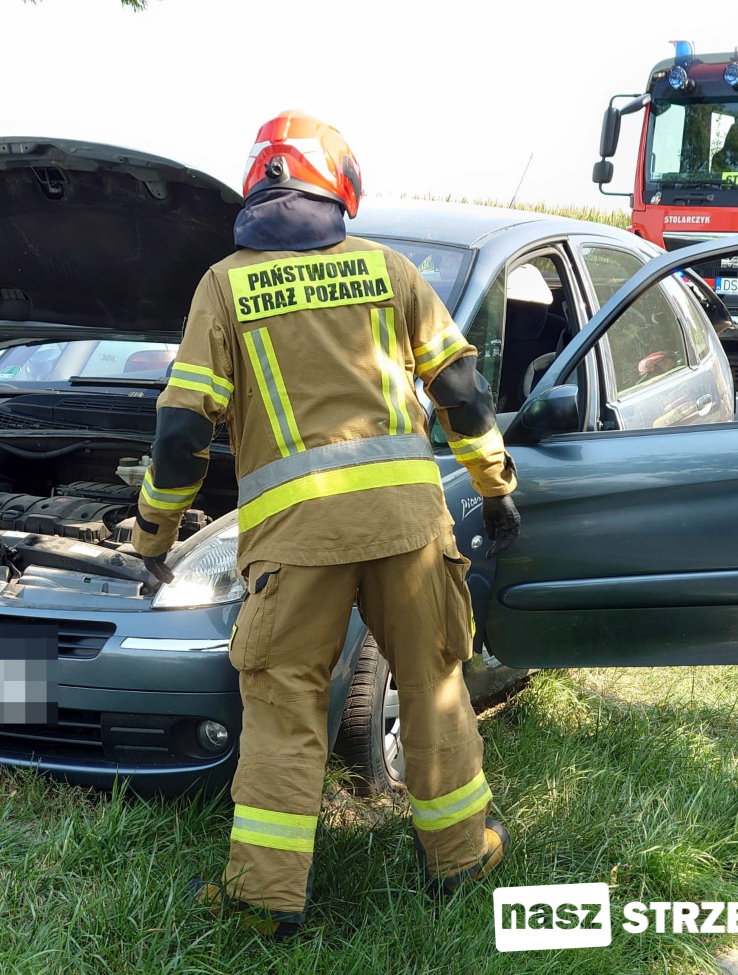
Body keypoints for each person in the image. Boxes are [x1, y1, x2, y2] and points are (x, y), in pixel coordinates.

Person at [129, 111, 522, 938]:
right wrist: (494, 486)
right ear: (339, 186)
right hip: (409, 528)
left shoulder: (224, 286)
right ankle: (461, 857)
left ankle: (264, 899)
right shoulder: (390, 270)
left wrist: (154, 538)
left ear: (258, 186)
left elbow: (180, 432)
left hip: (297, 541)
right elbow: (461, 392)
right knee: (434, 683)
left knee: (284, 708)